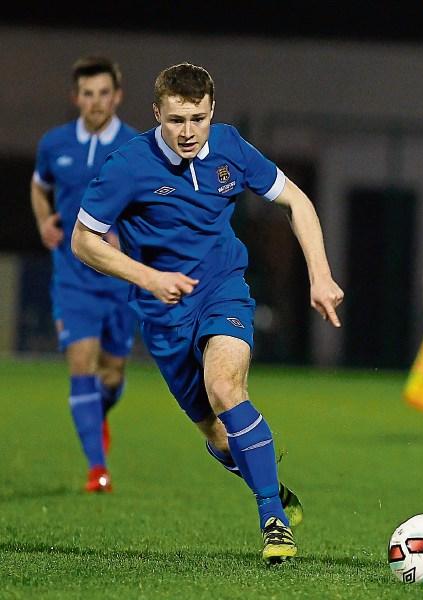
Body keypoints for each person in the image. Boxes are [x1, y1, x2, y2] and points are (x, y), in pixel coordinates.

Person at [71, 62, 344, 563]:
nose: (188, 132)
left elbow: (298, 203)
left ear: (212, 111)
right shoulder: (127, 166)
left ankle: (273, 521)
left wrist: (320, 275)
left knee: (226, 387)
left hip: (222, 289)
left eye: (198, 118)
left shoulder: (231, 148)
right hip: (162, 313)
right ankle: (270, 484)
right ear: (156, 114)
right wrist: (147, 277)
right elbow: (83, 241)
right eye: (176, 120)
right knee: (219, 435)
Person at [31, 56, 138, 493]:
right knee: (81, 362)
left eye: (103, 93)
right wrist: (43, 221)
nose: (95, 102)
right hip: (73, 276)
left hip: (118, 278)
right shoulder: (54, 143)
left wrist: (127, 240)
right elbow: (40, 185)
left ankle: (100, 411)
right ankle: (98, 469)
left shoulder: (137, 146)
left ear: (117, 96)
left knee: (110, 373)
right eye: (87, 94)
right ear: (76, 97)